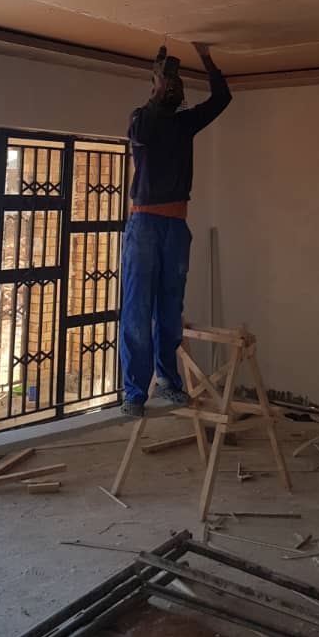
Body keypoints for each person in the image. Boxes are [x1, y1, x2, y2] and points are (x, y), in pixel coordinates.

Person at [119, 41, 232, 417]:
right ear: (156, 89)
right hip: (145, 223)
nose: (174, 90)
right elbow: (145, 130)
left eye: (177, 87)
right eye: (169, 85)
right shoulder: (142, 118)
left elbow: (222, 98)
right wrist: (155, 90)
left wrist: (207, 60)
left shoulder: (185, 124)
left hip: (175, 225)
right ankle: (135, 393)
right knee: (137, 310)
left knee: (169, 310)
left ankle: (168, 382)